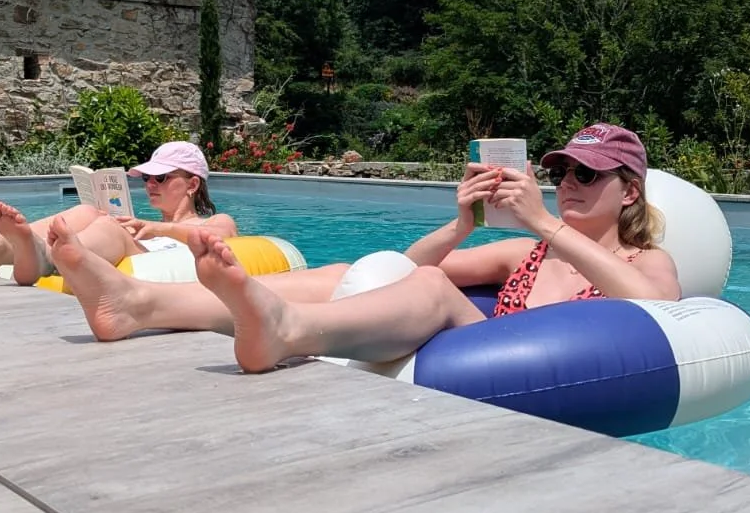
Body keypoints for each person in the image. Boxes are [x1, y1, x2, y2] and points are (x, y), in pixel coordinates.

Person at [45, 122, 680, 352]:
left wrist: (543, 220)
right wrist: (462, 224)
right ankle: (139, 305)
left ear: (629, 191)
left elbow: (657, 310)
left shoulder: (647, 259)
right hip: (483, 340)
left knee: (432, 285)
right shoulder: (524, 252)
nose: (569, 180)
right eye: (562, 169)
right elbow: (394, 266)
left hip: (516, 358)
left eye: (589, 173)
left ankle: (287, 330)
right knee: (352, 267)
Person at [0, 141, 237, 285]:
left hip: (147, 258)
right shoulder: (140, 226)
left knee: (110, 229)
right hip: (132, 243)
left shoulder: (215, 220)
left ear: (192, 184)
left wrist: (156, 229)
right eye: (146, 178)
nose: (150, 184)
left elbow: (217, 237)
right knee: (88, 211)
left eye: (160, 178)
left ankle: (44, 257)